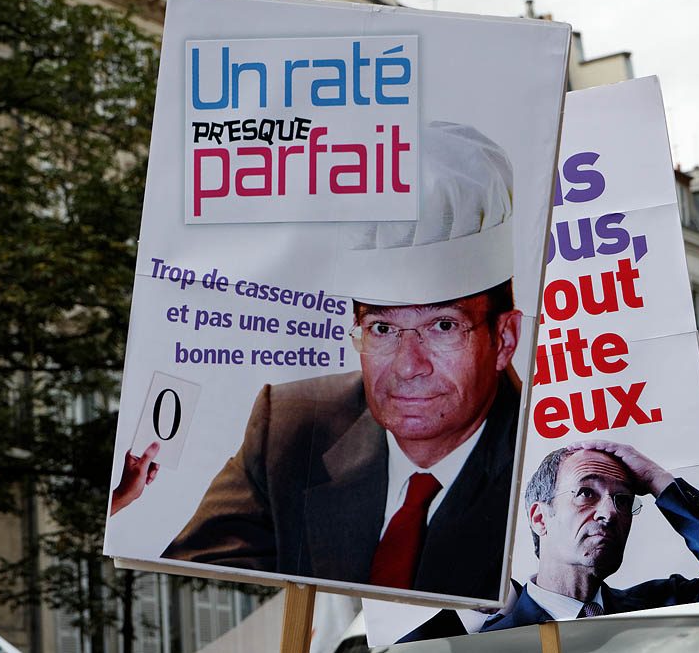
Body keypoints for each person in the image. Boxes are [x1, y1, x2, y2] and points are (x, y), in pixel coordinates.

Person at [153, 122, 526, 600]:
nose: (409, 366)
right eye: (383, 329)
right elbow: (196, 588)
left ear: (504, 338)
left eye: (443, 326)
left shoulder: (552, 462)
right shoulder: (292, 425)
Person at [478, 440, 699, 631]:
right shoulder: (492, 640)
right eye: (586, 493)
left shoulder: (665, 604)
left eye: (623, 500)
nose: (611, 513)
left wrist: (657, 479)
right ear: (540, 518)